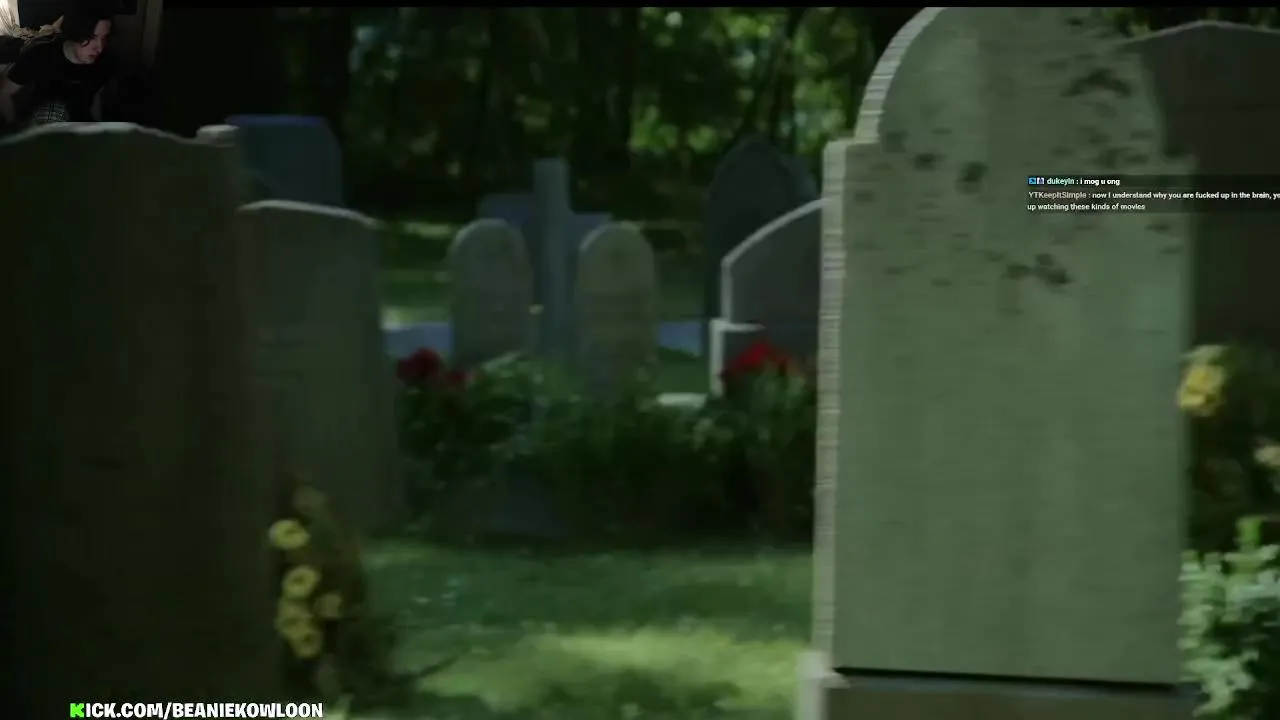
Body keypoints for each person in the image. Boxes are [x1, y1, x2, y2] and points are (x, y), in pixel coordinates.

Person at [0, 5, 115, 126]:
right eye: (92, 37)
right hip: (43, 126)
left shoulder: (105, 61)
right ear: (75, 33)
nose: (100, 47)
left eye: (104, 37)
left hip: (80, 129)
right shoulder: (40, 56)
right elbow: (4, 93)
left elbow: (96, 97)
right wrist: (14, 127)